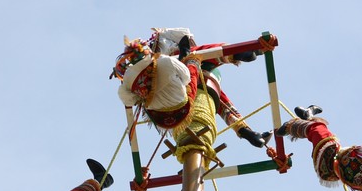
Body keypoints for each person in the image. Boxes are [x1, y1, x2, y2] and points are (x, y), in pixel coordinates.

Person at [113, 27, 271, 148]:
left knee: (216, 96)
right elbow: (186, 71)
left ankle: (245, 130)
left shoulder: (132, 80)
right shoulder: (162, 53)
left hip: (163, 118)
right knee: (199, 55)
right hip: (182, 82)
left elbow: (130, 99)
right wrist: (187, 57)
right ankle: (235, 53)